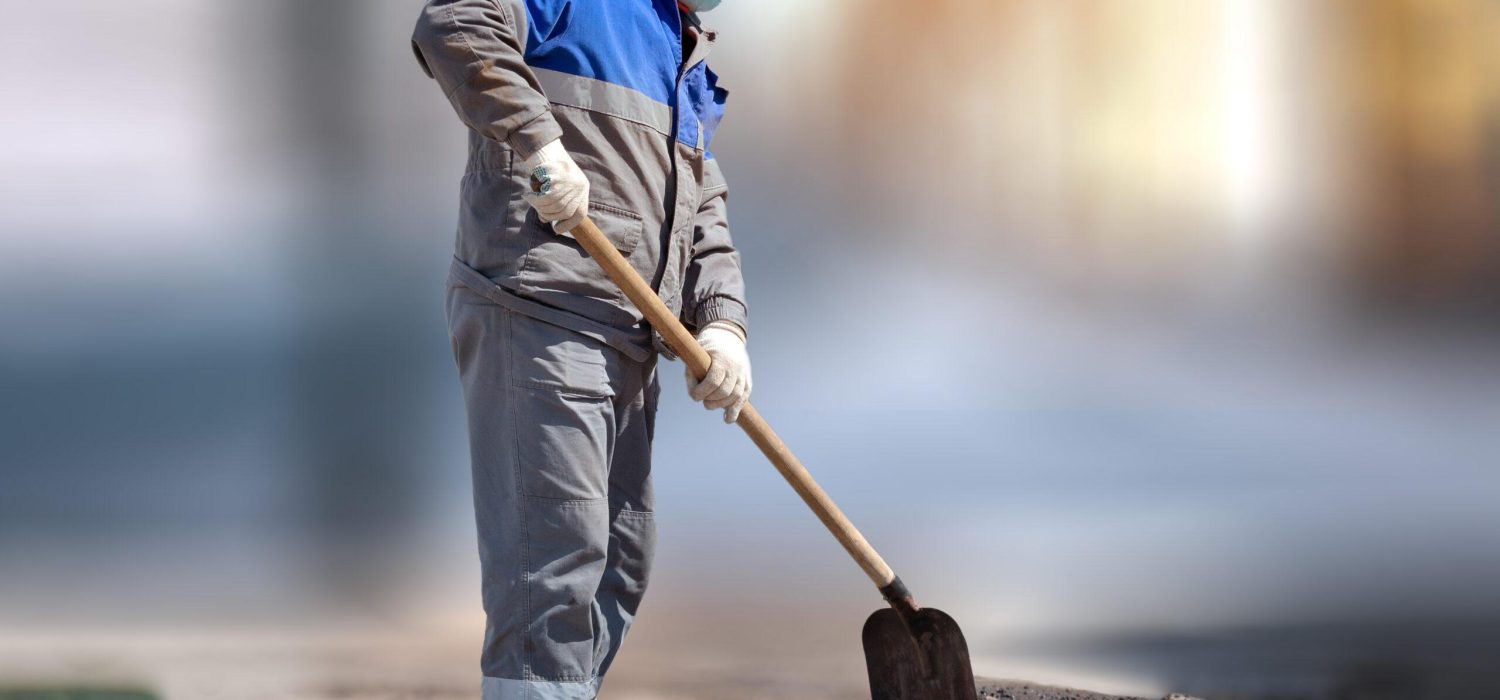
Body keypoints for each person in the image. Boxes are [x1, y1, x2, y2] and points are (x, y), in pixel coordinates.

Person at [411, 0, 748, 697]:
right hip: (542, 306)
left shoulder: (682, 56)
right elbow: (453, 24)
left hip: (628, 336)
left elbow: (701, 208)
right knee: (552, 567)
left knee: (619, 566)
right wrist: (539, 143)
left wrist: (722, 323)